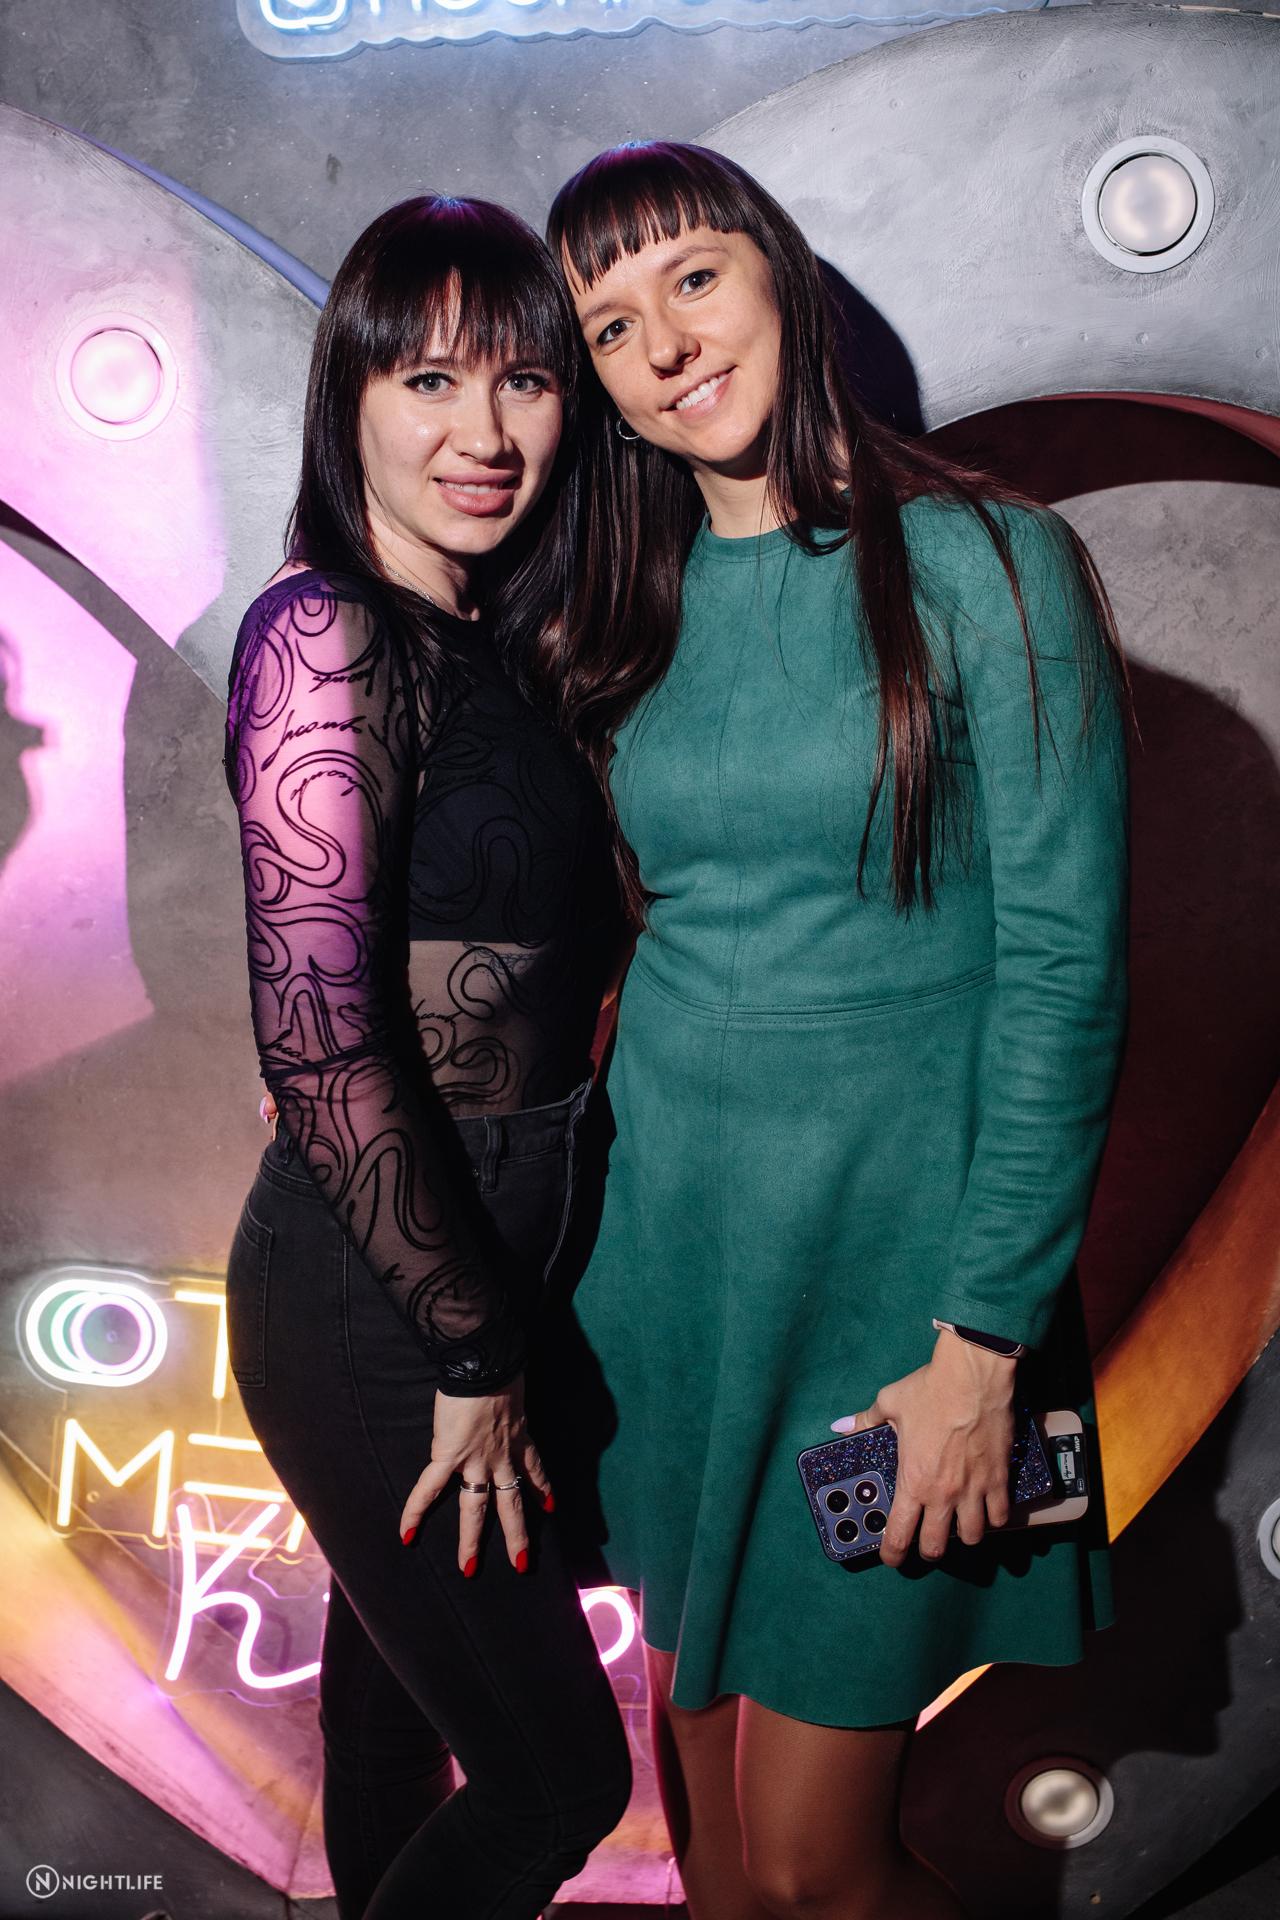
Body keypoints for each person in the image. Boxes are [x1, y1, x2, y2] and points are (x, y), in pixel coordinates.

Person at [542, 142, 1131, 1920]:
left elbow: (1065, 972)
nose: (664, 344)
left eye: (692, 278)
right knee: (719, 1867)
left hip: (902, 1303)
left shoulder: (988, 563)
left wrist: (984, 1347)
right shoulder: (621, 612)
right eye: (610, 325)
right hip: (672, 1295)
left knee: (814, 1870)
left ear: (780, 276)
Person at [222, 194, 631, 1920]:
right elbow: (319, 1042)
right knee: (558, 1777)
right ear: (353, 399)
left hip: (489, 1245)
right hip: (386, 1289)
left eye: (526, 382)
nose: (486, 433)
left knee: (396, 1730)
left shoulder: (487, 645)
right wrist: (471, 1341)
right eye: (433, 381)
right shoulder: (326, 632)